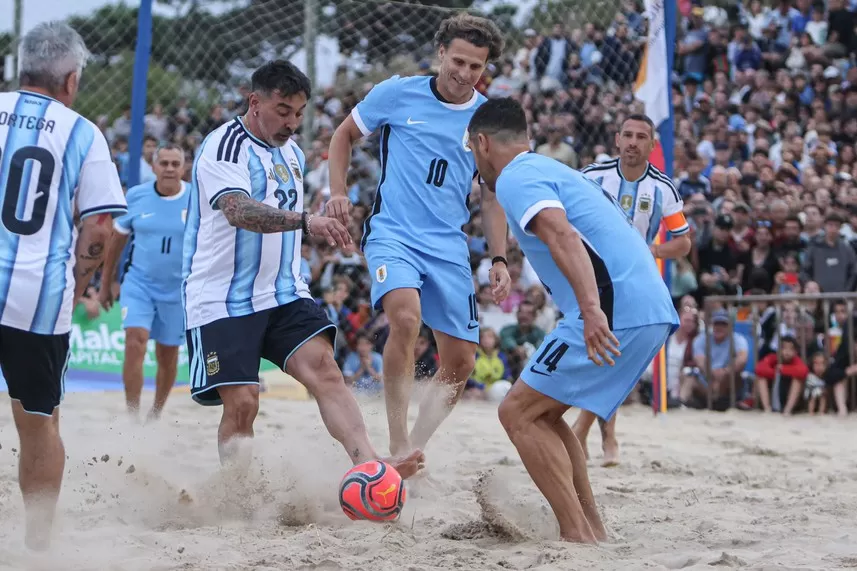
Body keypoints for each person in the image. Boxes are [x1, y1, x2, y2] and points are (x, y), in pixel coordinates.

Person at [183, 59, 423, 477]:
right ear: (255, 102)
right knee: (243, 403)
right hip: (221, 297)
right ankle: (236, 494)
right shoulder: (223, 147)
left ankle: (370, 467)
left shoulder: (291, 153)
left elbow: (282, 215)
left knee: (327, 371)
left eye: (299, 113)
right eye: (282, 111)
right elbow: (238, 210)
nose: (292, 123)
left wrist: (320, 216)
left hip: (283, 292)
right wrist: (307, 221)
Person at [467, 97, 679, 543]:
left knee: (517, 412)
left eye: (471, 149)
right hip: (646, 306)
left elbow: (561, 233)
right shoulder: (546, 169)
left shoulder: (516, 177)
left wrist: (590, 311)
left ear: (482, 143)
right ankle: (592, 531)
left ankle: (575, 536)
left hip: (617, 308)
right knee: (544, 415)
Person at [326, 13, 511, 458]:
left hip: (448, 245)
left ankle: (417, 447)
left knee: (462, 362)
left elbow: (491, 197)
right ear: (441, 52)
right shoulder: (397, 92)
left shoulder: (486, 120)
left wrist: (499, 259)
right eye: (459, 61)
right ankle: (396, 439)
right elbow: (343, 135)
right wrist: (337, 193)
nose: (465, 74)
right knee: (406, 320)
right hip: (394, 233)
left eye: (476, 67)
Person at [0, 22, 127, 549]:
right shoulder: (81, 132)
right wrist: (78, 285)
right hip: (37, 294)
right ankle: (36, 546)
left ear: (19, 66)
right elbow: (100, 226)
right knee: (39, 421)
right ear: (71, 79)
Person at [573, 114, 691, 467]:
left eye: (642, 137)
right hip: (592, 276)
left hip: (634, 281)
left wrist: (651, 250)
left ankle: (590, 433)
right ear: (617, 138)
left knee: (613, 359)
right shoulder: (593, 176)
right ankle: (594, 435)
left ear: (652, 145)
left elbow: (683, 242)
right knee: (594, 356)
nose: (633, 142)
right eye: (628, 135)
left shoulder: (663, 188)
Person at [97, 143, 188, 420]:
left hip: (178, 288)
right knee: (135, 341)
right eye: (164, 163)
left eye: (175, 163)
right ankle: (132, 415)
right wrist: (106, 283)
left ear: (183, 168)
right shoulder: (136, 196)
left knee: (168, 354)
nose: (170, 169)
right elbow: (116, 241)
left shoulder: (196, 199)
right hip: (139, 283)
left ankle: (156, 413)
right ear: (153, 166)